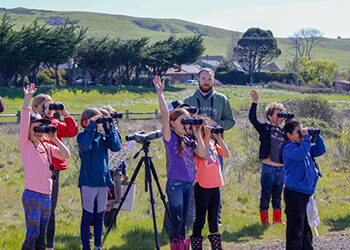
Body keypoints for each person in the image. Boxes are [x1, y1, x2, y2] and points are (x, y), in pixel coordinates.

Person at [153, 75, 206, 248]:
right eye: (182, 121)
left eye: (187, 121)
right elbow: (164, 114)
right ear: (173, 123)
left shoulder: (190, 139)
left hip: (188, 183)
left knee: (183, 222)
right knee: (176, 220)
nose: (185, 124)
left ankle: (183, 245)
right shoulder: (170, 138)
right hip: (175, 184)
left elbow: (203, 155)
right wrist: (160, 94)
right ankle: (175, 245)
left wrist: (197, 132)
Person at [19, 83, 70, 250]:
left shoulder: (46, 147)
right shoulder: (26, 145)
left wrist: (53, 138)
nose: (39, 131)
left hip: (46, 197)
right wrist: (27, 99)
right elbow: (25, 123)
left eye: (42, 128)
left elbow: (66, 155)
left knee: (42, 235)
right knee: (32, 233)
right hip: (32, 195)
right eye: (36, 128)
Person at [184, 67, 235, 225]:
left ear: (213, 81)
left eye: (209, 79)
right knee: (194, 182)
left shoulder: (222, 99)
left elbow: (231, 121)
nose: (206, 81)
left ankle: (215, 217)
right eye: (203, 78)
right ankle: (194, 218)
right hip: (195, 149)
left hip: (215, 149)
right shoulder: (189, 101)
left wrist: (216, 125)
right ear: (198, 79)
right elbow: (183, 125)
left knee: (216, 183)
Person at [31, 94, 78, 249]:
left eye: (51, 105)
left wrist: (65, 113)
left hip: (54, 170)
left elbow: (72, 131)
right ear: (36, 107)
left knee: (50, 210)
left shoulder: (55, 123)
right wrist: (39, 115)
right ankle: (36, 243)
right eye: (46, 105)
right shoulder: (33, 124)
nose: (50, 109)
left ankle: (49, 245)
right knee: (37, 212)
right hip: (38, 170)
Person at [77, 108, 122, 250]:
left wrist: (110, 128)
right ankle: (86, 246)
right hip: (88, 182)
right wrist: (91, 126)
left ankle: (97, 246)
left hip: (103, 182)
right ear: (85, 122)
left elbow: (116, 146)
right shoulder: (82, 136)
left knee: (99, 218)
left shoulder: (103, 137)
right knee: (88, 216)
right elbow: (86, 145)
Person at [281, 120, 326, 249]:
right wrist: (306, 137)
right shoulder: (288, 147)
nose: (301, 134)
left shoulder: (305, 147)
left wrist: (315, 136)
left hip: (306, 193)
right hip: (294, 193)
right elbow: (300, 155)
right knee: (295, 230)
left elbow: (320, 149)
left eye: (302, 131)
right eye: (298, 132)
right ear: (289, 135)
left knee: (306, 229)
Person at [190, 117, 229, 250]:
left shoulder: (212, 141)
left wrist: (218, 138)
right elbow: (205, 156)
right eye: (205, 126)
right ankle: (196, 246)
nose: (207, 129)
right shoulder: (195, 142)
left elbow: (226, 154)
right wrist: (205, 137)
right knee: (200, 218)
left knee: (213, 219)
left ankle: (216, 247)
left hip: (215, 185)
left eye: (208, 126)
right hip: (202, 186)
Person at [249, 89, 286, 226]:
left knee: (278, 195)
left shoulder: (285, 131)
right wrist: (255, 102)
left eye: (281, 115)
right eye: (277, 115)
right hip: (268, 167)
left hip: (281, 169)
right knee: (266, 195)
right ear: (269, 116)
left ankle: (278, 219)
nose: (280, 118)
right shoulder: (265, 128)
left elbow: (296, 131)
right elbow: (253, 119)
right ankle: (265, 221)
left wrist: (288, 118)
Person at [99, 106, 129, 229]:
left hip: (117, 169)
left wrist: (124, 170)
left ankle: (112, 225)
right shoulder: (102, 131)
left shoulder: (114, 130)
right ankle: (107, 226)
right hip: (107, 170)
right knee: (107, 201)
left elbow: (119, 151)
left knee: (115, 200)